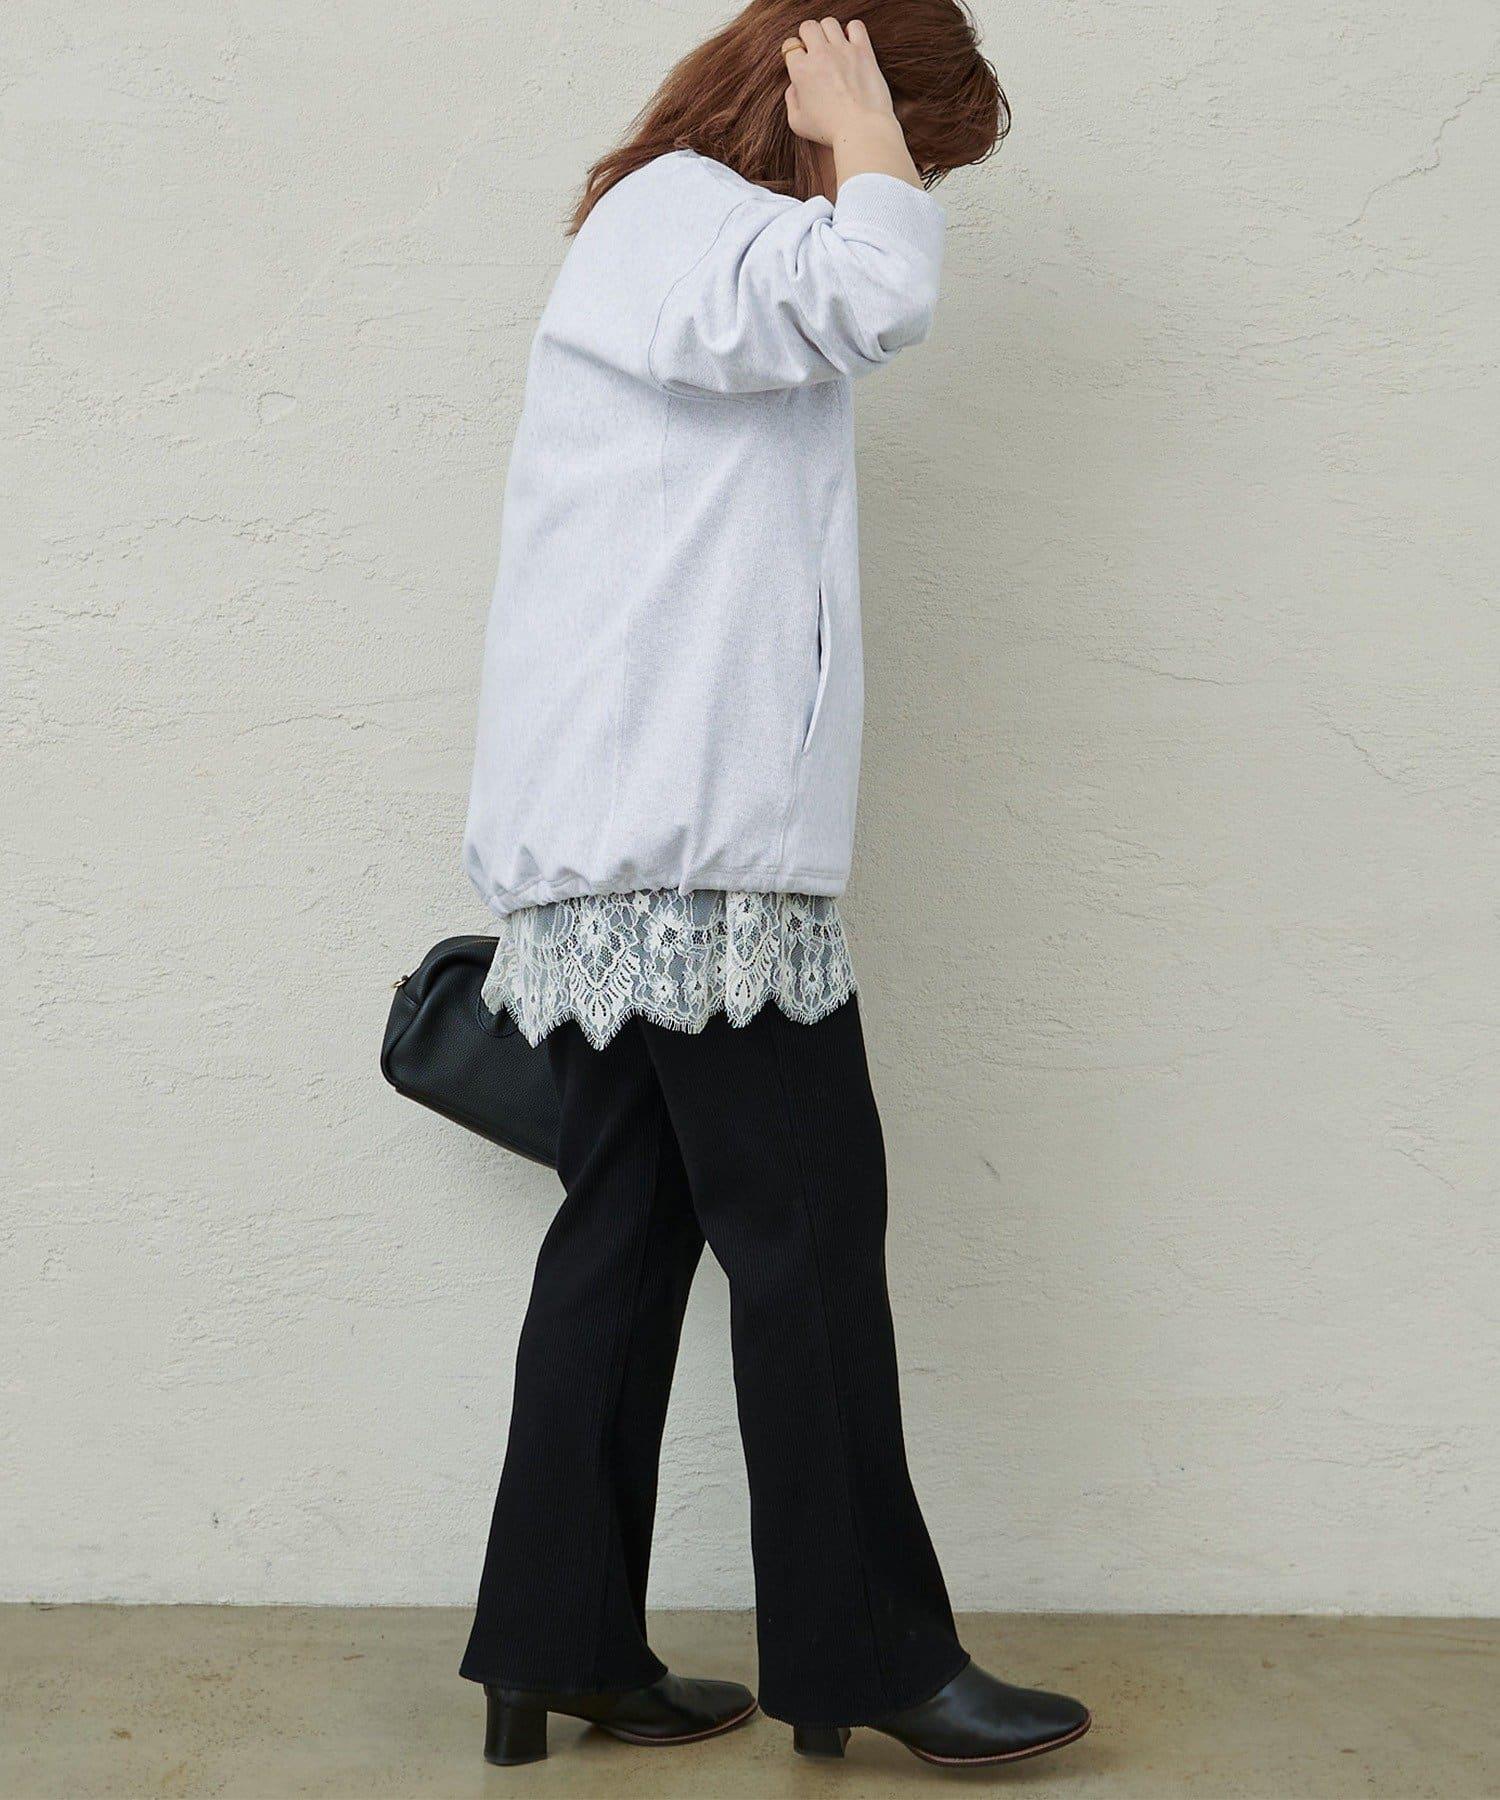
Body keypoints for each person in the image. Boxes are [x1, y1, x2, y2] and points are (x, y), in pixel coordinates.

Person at [458, 0, 1092, 1770]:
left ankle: (555, 1644)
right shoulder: (687, 216)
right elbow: (878, 292)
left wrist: (861, 146)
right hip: (685, 849)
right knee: (810, 1231)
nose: (910, 185)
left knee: (630, 1229)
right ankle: (870, 1657)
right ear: (827, 86)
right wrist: (863, 121)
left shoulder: (687, 241)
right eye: (916, 141)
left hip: (639, 839)